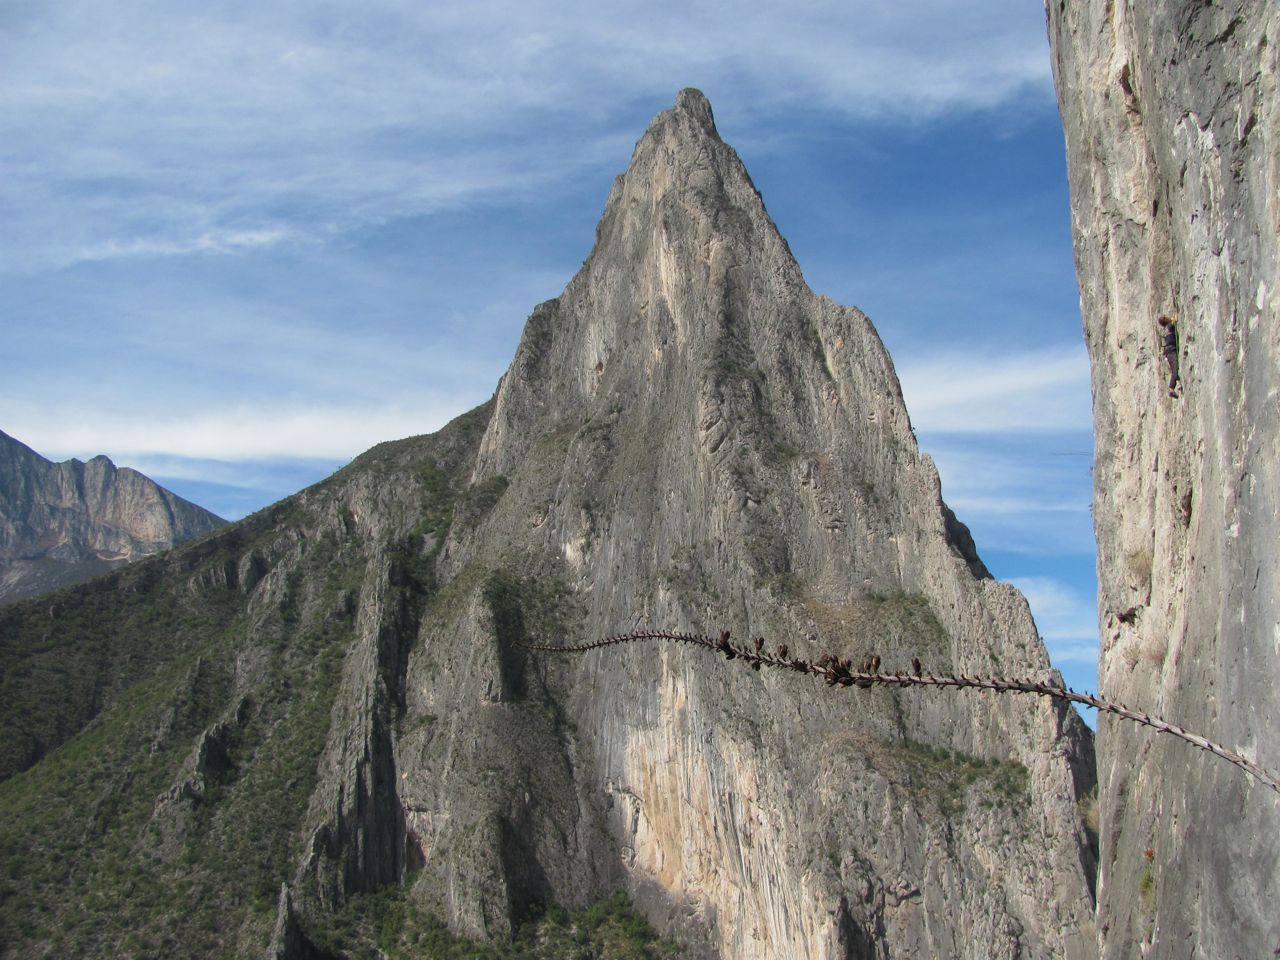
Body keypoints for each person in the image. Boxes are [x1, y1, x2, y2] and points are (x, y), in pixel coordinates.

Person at [1157, 314, 1180, 395]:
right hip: (1171, 351)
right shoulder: (1170, 326)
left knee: (1175, 368)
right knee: (1175, 368)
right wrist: (1173, 317)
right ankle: (1171, 388)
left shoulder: (1165, 329)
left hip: (1168, 352)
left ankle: (1174, 383)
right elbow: (1175, 320)